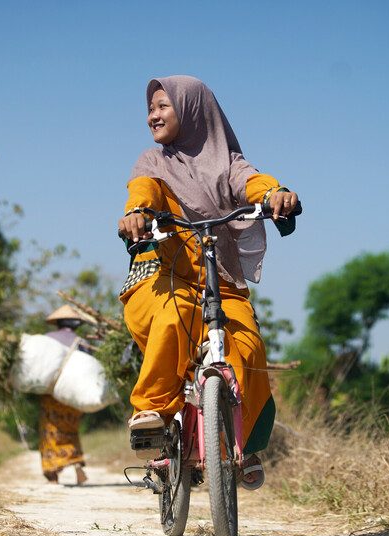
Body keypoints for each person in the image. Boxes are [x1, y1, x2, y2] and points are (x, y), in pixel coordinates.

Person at [117, 75, 300, 491]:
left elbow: (254, 182)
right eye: (150, 109)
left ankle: (241, 443)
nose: (152, 116)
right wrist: (138, 212)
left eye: (163, 106)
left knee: (248, 346)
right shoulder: (152, 163)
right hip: (166, 279)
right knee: (174, 316)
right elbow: (141, 191)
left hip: (223, 282)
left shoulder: (229, 163)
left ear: (193, 108)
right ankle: (153, 412)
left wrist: (276, 193)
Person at [38, 305, 92, 485]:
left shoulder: (46, 339)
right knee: (70, 429)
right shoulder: (82, 342)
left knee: (51, 430)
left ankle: (53, 473)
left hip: (51, 393)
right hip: (72, 394)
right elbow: (87, 368)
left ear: (58, 323)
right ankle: (77, 465)